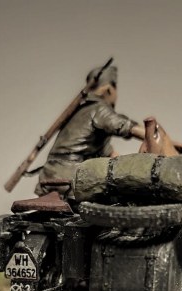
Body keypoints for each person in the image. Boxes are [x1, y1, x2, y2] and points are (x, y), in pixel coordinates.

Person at [34, 65, 145, 196]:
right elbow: (126, 126)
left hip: (48, 176)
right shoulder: (98, 108)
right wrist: (157, 137)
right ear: (109, 90)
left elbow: (108, 153)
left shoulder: (79, 111)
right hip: (71, 178)